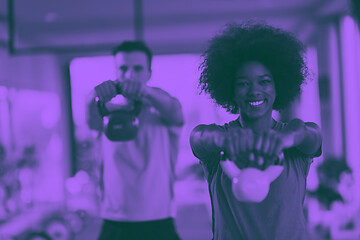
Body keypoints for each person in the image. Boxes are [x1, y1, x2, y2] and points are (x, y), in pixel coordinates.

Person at [190, 22, 322, 240]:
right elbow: (198, 137)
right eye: (243, 83)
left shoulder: (294, 141)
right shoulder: (219, 141)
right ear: (231, 90)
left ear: (278, 86)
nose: (254, 91)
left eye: (264, 81)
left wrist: (287, 138)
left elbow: (311, 134)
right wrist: (223, 139)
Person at [86, 41, 184, 240]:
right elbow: (89, 116)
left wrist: (145, 91)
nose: (130, 75)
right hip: (115, 220)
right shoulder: (107, 113)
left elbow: (175, 110)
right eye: (123, 68)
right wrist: (95, 94)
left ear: (149, 73)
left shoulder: (161, 112)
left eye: (138, 68)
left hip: (158, 220)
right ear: (116, 72)